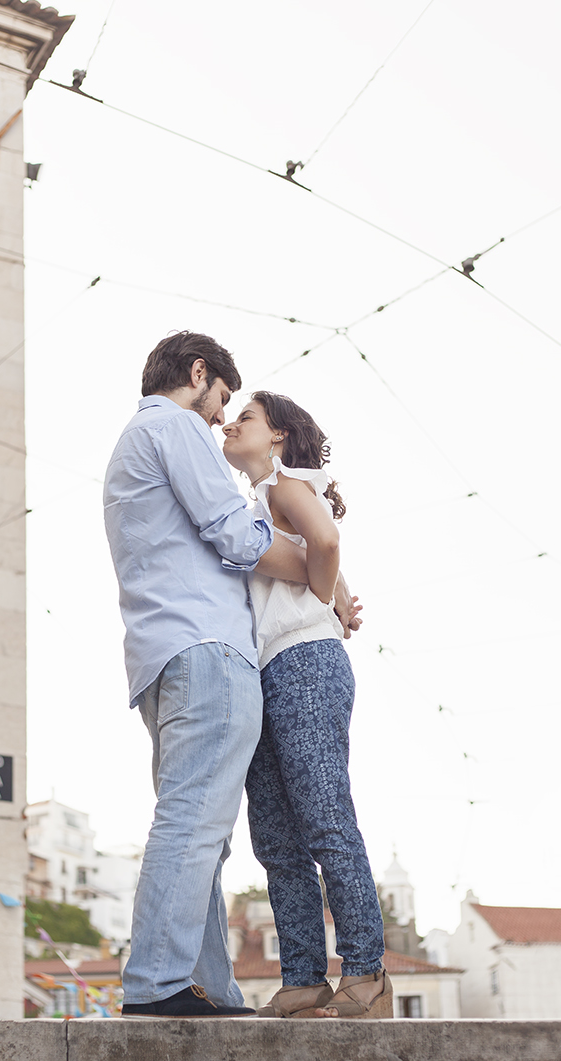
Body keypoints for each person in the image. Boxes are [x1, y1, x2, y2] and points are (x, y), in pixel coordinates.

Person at [103, 333, 359, 1018]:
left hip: (163, 657)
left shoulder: (133, 442)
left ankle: (207, 986)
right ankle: (158, 981)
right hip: (208, 652)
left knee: (204, 830)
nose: (220, 418)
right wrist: (321, 577)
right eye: (222, 399)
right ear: (197, 373)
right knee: (194, 821)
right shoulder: (175, 425)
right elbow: (235, 534)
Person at [220, 390, 391, 1019]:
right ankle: (302, 977)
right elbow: (312, 556)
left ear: (279, 438)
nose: (232, 424)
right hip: (266, 669)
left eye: (248, 419)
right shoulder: (258, 500)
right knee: (275, 837)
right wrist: (336, 594)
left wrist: (325, 590)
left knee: (323, 819)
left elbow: (325, 540)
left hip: (305, 664)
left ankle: (366, 973)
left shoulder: (285, 487)